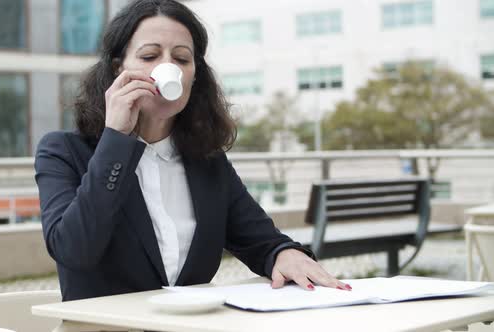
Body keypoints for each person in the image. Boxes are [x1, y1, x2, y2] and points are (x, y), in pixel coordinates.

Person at [35, 0, 350, 302]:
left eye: (182, 59)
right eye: (149, 56)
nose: (167, 67)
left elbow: (261, 240)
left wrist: (283, 253)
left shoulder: (206, 161)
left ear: (194, 75)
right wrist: (116, 139)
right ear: (119, 69)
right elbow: (74, 250)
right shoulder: (63, 151)